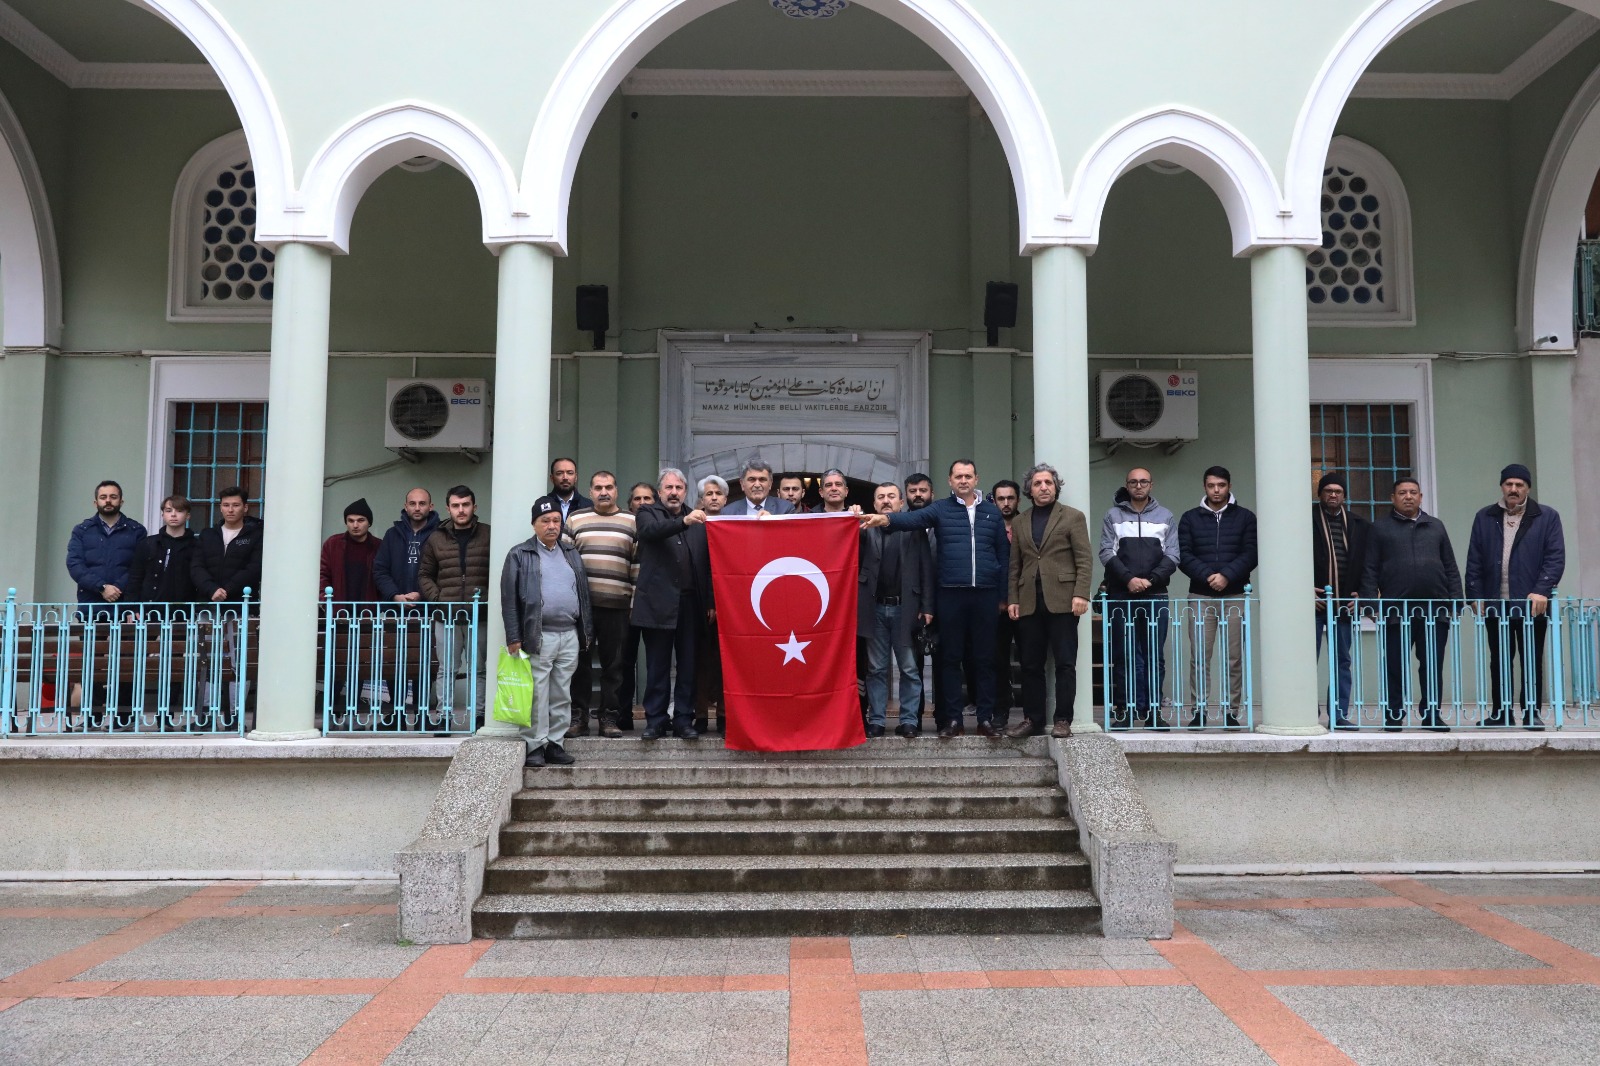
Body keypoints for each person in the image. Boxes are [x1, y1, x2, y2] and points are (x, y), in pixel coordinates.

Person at [866, 459, 1009, 738]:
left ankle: (985, 719)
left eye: (968, 476)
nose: (963, 480)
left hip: (985, 595)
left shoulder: (992, 513)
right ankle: (952, 720)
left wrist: (1004, 597)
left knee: (984, 660)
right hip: (951, 594)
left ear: (976, 479)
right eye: (958, 476)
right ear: (950, 481)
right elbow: (913, 519)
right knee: (949, 659)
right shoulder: (941, 509)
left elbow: (1003, 557)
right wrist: (886, 518)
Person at [1465, 464, 1564, 730]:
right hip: (1496, 604)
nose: (1513, 489)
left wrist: (1542, 590)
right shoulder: (1485, 517)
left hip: (1532, 604)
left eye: (1519, 485)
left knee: (1531, 658)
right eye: (1509, 484)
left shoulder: (1546, 517)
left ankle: (1532, 713)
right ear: (1501, 487)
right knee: (1499, 659)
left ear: (1528, 489)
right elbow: (1474, 558)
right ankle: (1501, 713)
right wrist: (1474, 596)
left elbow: (1555, 558)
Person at [1361, 477, 1460, 732]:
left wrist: (1456, 601)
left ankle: (1431, 714)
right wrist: (1371, 604)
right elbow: (1370, 568)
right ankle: (1394, 714)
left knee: (1432, 664)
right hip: (1396, 610)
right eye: (1402, 493)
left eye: (1413, 492)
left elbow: (1450, 565)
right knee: (1395, 664)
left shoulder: (1436, 526)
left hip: (1434, 609)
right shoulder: (1380, 528)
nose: (1408, 497)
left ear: (1421, 497)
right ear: (1393, 498)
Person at [502, 497, 593, 767]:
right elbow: (509, 599)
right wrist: (513, 636)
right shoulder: (520, 554)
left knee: (562, 692)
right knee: (538, 693)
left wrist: (585, 631)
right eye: (545, 521)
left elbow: (583, 594)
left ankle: (556, 743)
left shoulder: (570, 552)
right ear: (534, 525)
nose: (552, 526)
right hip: (538, 635)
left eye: (556, 520)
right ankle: (535, 746)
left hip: (569, 635)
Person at [1005, 464, 1090, 739]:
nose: (1044, 487)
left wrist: (1081, 593)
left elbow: (1084, 559)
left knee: (1065, 663)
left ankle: (1063, 720)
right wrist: (1013, 599)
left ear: (1056, 487)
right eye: (1038, 483)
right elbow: (1015, 565)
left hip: (1064, 601)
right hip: (1029, 601)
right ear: (1029, 489)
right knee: (1030, 664)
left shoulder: (1073, 517)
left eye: (1049, 483)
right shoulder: (1020, 521)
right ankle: (1033, 719)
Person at [1176, 466, 1257, 727]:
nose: (1216, 490)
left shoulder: (1245, 517)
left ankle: (1232, 712)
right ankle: (1199, 711)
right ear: (1204, 487)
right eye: (1211, 485)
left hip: (1234, 595)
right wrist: (1210, 576)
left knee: (1234, 657)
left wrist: (1227, 576)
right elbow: (1184, 555)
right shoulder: (1190, 518)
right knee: (1200, 656)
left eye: (1221, 485)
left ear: (1229, 485)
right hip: (1200, 595)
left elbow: (1251, 553)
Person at [1099, 469, 1178, 729]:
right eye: (1133, 482)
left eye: (1143, 481)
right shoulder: (1113, 515)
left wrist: (1151, 580)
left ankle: (1153, 711)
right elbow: (1106, 552)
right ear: (1127, 485)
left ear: (1151, 485)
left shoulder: (1165, 516)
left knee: (1155, 656)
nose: (1139, 486)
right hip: (1122, 596)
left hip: (1156, 595)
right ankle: (1125, 709)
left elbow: (1173, 555)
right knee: (1124, 655)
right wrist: (1129, 579)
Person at [632, 468, 707, 740]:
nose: (674, 492)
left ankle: (683, 720)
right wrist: (684, 522)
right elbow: (651, 533)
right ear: (660, 491)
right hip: (657, 604)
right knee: (658, 666)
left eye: (679, 488)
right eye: (669, 488)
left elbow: (704, 563)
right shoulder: (647, 513)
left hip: (690, 605)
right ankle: (655, 720)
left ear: (685, 491)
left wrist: (708, 601)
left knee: (687, 666)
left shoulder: (699, 520)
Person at [565, 471, 639, 738]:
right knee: (579, 663)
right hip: (581, 607)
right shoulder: (576, 518)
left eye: (608, 487)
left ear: (617, 490)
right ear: (591, 490)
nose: (603, 492)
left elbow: (637, 564)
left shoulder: (631, 521)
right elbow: (564, 562)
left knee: (615, 665)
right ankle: (579, 718)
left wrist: (633, 599)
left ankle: (609, 718)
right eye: (598, 487)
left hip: (617, 605)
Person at [859, 482, 934, 738]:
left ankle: (909, 721)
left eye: (891, 496)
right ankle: (877, 721)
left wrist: (927, 605)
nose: (886, 501)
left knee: (910, 669)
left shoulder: (914, 530)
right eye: (881, 497)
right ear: (874, 504)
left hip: (906, 609)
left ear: (901, 503)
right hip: (874, 609)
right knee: (876, 668)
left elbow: (926, 569)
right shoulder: (864, 532)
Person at [418, 485, 491, 729]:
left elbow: (497, 572)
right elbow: (425, 574)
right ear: (448, 508)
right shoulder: (436, 538)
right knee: (446, 669)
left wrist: (486, 598)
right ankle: (445, 717)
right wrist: (438, 599)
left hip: (478, 614)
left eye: (466, 505)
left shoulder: (488, 534)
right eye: (456, 506)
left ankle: (480, 717)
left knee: (479, 669)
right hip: (446, 614)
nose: (461, 510)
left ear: (474, 507)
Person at [1312, 472, 1367, 730]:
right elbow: (1289, 558)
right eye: (1328, 491)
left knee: (1342, 661)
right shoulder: (1305, 520)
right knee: (1305, 659)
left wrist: (1363, 593)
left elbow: (1369, 564)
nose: (1333, 495)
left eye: (1338, 491)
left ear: (1344, 495)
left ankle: (1339, 714)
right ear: (1320, 494)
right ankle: (1305, 710)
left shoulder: (1358, 524)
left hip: (1344, 605)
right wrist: (1303, 592)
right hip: (1312, 605)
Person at [66, 480, 147, 611]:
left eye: (113, 497)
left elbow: (140, 566)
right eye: (103, 497)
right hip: (91, 607)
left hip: (125, 608)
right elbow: (74, 564)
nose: (108, 501)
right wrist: (102, 587)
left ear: (121, 502)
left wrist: (117, 588)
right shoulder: (82, 530)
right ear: (95, 503)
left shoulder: (137, 530)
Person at [616, 481, 657, 728]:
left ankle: (655, 717)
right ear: (630, 503)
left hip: (653, 605)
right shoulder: (621, 527)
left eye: (647, 499)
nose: (642, 503)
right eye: (637, 499)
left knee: (655, 662)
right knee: (623, 662)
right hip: (624, 605)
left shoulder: (660, 527)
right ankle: (622, 715)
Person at [690, 475, 725, 731]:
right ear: (701, 499)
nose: (713, 498)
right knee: (699, 661)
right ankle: (700, 714)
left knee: (725, 661)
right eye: (708, 494)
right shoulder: (692, 526)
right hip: (698, 603)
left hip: (730, 605)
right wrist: (708, 602)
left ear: (725, 499)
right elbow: (699, 567)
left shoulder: (734, 523)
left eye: (718, 494)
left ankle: (724, 715)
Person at [192, 486, 263, 604]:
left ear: (245, 507)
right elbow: (196, 566)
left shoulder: (255, 535)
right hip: (207, 605)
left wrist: (226, 590)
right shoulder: (207, 535)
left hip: (241, 605)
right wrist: (211, 589)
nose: (230, 510)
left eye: (236, 505)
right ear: (220, 507)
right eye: (226, 505)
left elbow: (254, 568)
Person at [990, 479, 1023, 726]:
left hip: (1026, 604)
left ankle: (1033, 715)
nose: (1006, 503)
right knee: (997, 662)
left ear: (1018, 500)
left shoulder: (1028, 524)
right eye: (1001, 498)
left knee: (1031, 661)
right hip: (995, 606)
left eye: (1010, 498)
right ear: (994, 500)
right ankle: (1000, 711)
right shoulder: (987, 526)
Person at [127, 495, 199, 605]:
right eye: (168, 510)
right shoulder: (148, 544)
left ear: (187, 516)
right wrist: (132, 607)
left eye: (179, 511)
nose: (173, 514)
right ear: (163, 515)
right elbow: (135, 578)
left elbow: (200, 579)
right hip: (149, 611)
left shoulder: (196, 546)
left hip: (184, 613)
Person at [374, 488, 440, 604]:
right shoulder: (392, 534)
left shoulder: (440, 534)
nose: (417, 508)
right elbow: (380, 570)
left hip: (431, 609)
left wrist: (422, 594)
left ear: (431, 506)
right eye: (412, 503)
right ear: (406, 506)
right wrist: (394, 596)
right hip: (395, 611)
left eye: (422, 503)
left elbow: (447, 572)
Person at [319, 498, 380, 601]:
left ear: (369, 522)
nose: (355, 525)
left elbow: (384, 577)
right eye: (351, 521)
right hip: (338, 611)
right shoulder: (332, 544)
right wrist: (326, 602)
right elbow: (323, 575)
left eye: (361, 520)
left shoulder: (379, 546)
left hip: (368, 612)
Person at [723, 459, 795, 516]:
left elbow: (788, 534)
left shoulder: (785, 509)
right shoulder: (728, 512)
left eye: (762, 479)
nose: (757, 485)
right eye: (752, 479)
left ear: (770, 484)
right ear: (742, 484)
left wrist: (773, 523)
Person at [548, 457, 592, 526]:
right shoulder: (544, 504)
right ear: (552, 478)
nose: (565, 477)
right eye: (559, 473)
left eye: (570, 473)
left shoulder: (588, 507)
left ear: (576, 477)